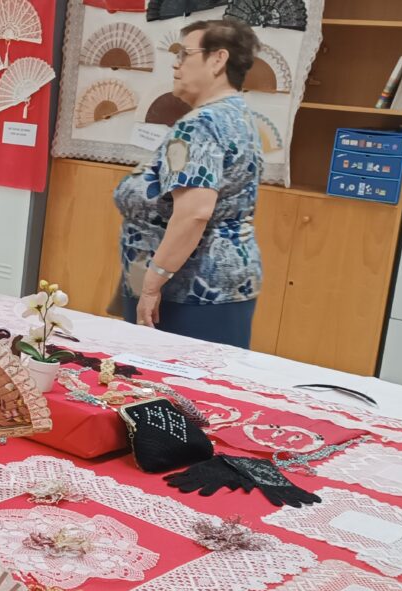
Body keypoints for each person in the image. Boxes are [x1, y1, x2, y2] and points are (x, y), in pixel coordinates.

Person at [113, 18, 264, 349]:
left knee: (172, 393)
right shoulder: (236, 114)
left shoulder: (201, 125)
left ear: (217, 60)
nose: (175, 63)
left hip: (190, 291)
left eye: (184, 53)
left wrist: (151, 285)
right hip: (218, 283)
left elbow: (194, 212)